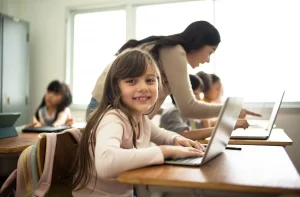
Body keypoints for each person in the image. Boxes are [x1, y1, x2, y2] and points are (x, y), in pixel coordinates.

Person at [72, 49, 205, 197]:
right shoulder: (112, 118)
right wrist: (165, 151)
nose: (143, 88)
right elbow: (106, 163)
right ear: (115, 87)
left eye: (150, 80)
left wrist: (177, 139)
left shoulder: (140, 118)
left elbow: (163, 135)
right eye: (131, 81)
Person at [87, 21, 261, 121]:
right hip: (104, 111)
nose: (207, 60)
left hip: (109, 112)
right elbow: (188, 108)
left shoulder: (169, 53)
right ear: (198, 43)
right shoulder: (174, 51)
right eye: (210, 52)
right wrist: (230, 109)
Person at [160, 74, 247, 140]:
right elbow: (183, 135)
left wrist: (229, 121)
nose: (198, 98)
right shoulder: (173, 112)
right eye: (196, 94)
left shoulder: (187, 113)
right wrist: (223, 128)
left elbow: (200, 125)